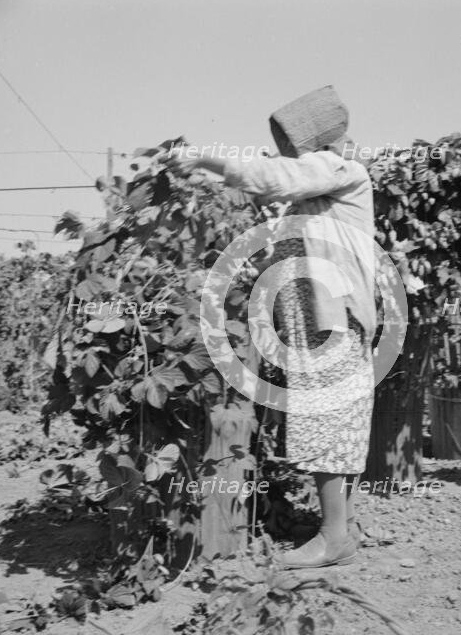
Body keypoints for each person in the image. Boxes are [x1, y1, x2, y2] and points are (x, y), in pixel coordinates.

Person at [167, 86, 377, 568]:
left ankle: (333, 537)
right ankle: (340, 531)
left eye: (287, 140)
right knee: (336, 423)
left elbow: (277, 178)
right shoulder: (325, 179)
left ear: (309, 139)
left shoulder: (336, 167)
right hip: (318, 319)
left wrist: (207, 160)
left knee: (330, 423)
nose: (283, 150)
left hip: (333, 319)